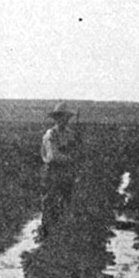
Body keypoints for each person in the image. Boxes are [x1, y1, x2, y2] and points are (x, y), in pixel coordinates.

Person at [39, 101, 81, 241]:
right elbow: (52, 156)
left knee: (66, 201)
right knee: (49, 201)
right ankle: (45, 232)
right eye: (60, 117)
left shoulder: (71, 134)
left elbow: (77, 153)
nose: (64, 120)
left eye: (66, 117)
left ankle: (60, 233)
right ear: (56, 118)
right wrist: (71, 158)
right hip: (52, 171)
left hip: (66, 172)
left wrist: (75, 156)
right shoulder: (50, 134)